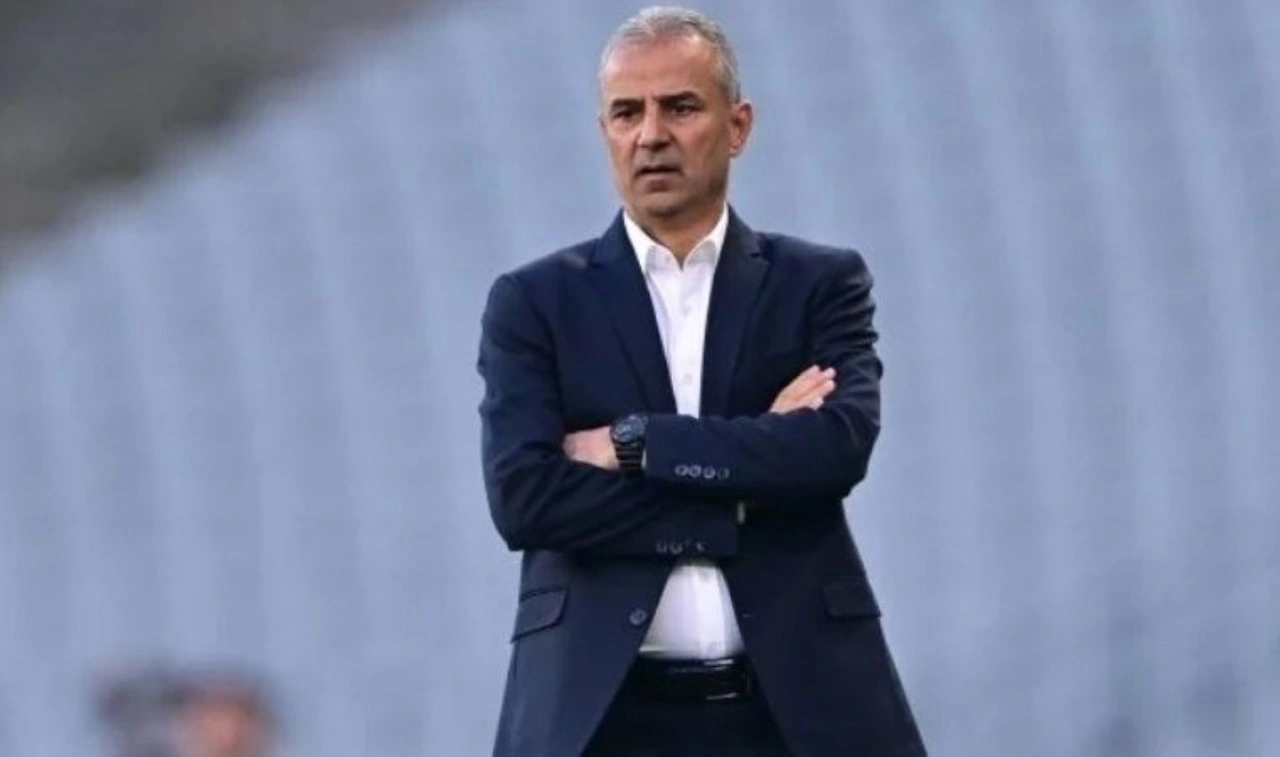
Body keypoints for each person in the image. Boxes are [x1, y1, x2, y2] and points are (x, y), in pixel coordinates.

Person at [477, 6, 926, 756]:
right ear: (605, 131)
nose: (651, 134)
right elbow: (526, 498)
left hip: (793, 715)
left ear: (738, 126)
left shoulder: (818, 283)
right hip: (601, 720)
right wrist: (743, 487)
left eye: (680, 107)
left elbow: (834, 449)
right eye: (628, 112)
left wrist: (634, 443)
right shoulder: (534, 301)